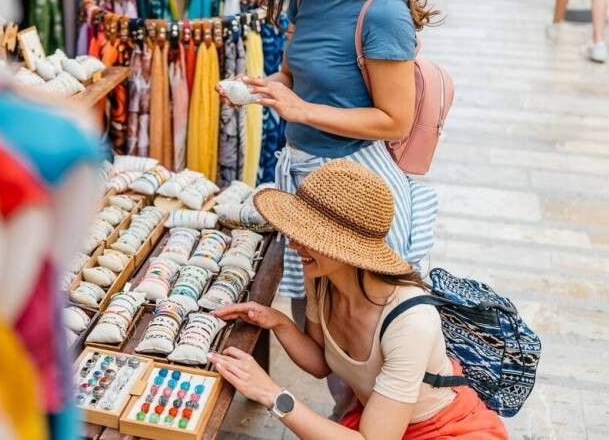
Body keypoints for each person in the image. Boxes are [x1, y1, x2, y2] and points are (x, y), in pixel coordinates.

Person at [215, 0, 440, 419]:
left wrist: (302, 111)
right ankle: (349, 420)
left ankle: (370, 425)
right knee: (322, 326)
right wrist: (263, 88)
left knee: (365, 338)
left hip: (357, 190)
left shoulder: (382, 10)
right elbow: (294, 75)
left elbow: (394, 119)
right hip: (305, 184)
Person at [208, 160, 508, 439]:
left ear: (346, 248)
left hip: (445, 430)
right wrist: (277, 321)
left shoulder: (411, 323)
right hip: (383, 422)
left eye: (307, 235)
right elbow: (320, 364)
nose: (294, 243)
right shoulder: (322, 277)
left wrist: (272, 394)